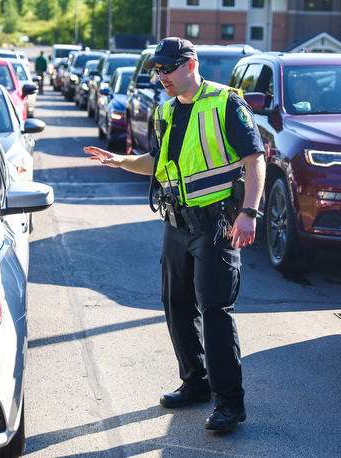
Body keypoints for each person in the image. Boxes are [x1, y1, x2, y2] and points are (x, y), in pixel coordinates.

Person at [84, 37, 266, 432]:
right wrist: (122, 161)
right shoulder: (165, 110)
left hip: (217, 223)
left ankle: (229, 404)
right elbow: (158, 161)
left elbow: (255, 158)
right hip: (177, 222)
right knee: (176, 304)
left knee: (214, 309)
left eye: (167, 68)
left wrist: (249, 212)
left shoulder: (225, 103)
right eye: (157, 69)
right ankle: (196, 382)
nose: (161, 75)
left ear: (191, 64)